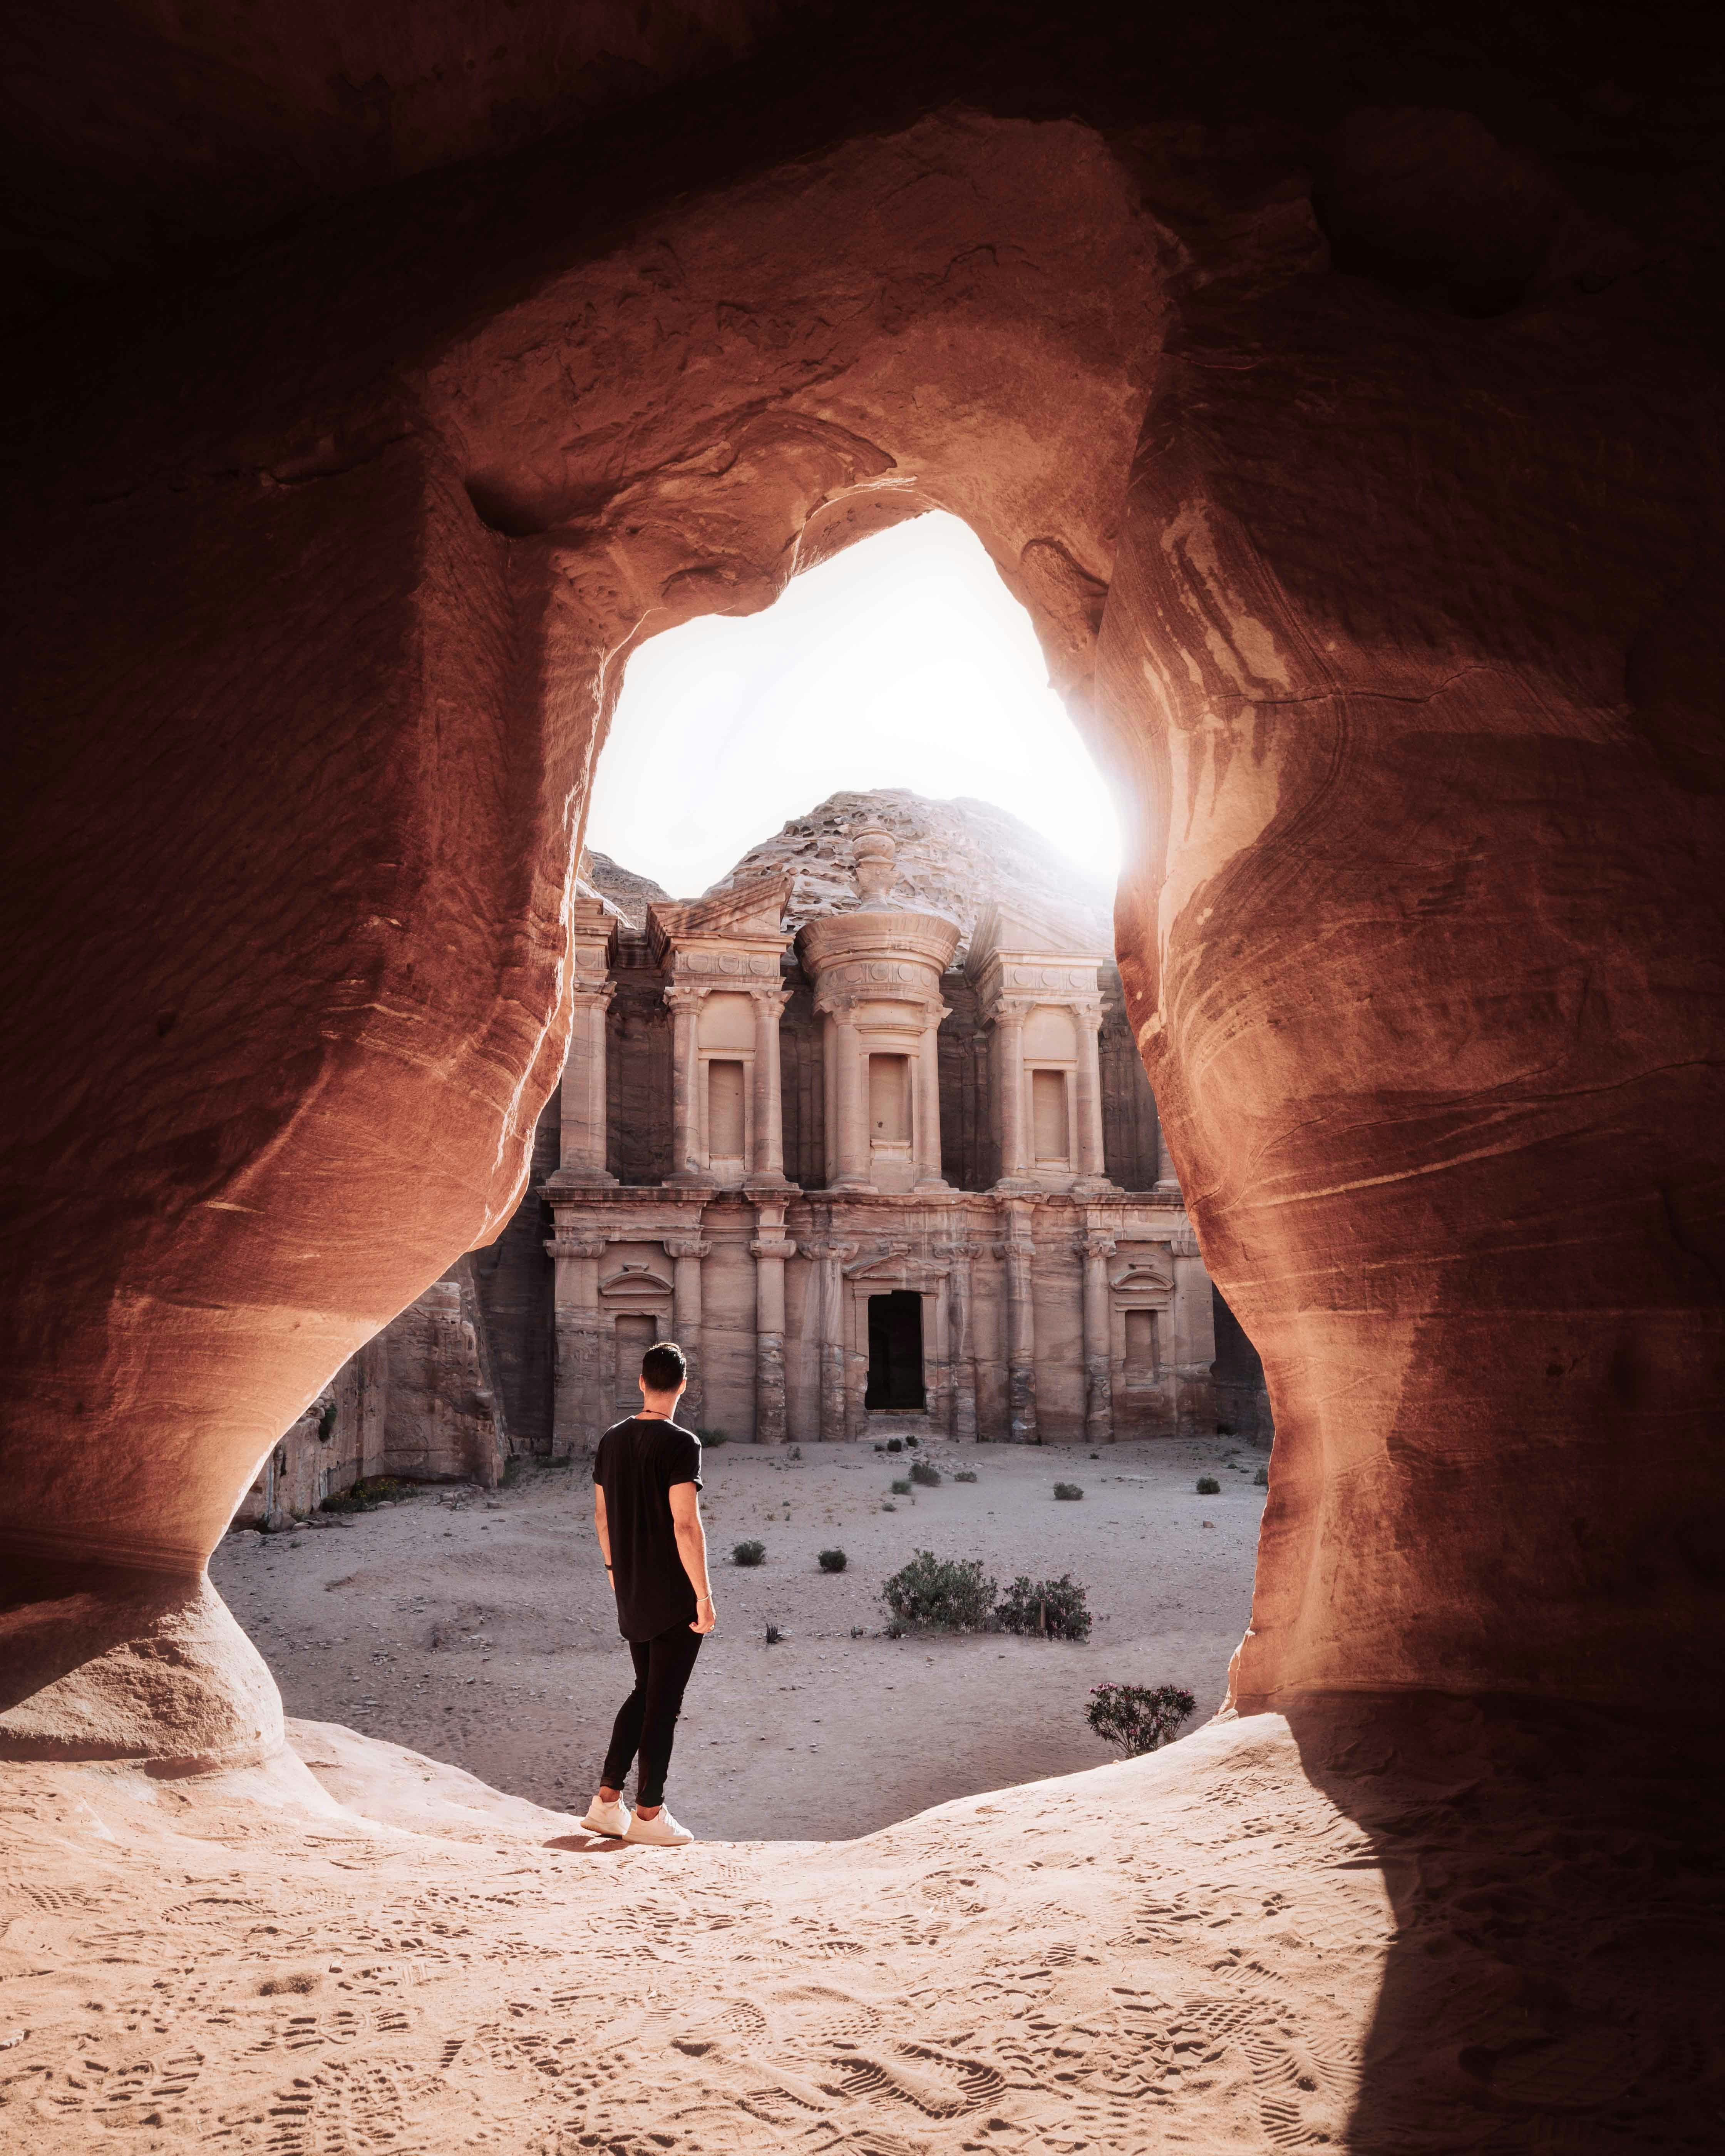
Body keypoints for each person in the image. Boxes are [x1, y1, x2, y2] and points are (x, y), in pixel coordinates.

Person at [579, 1338, 716, 1846]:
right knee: (663, 1705)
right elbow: (686, 1526)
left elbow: (600, 1517)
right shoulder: (682, 1444)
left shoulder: (611, 1442)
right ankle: (649, 1814)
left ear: (641, 1382)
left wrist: (617, 1573)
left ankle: (607, 1802)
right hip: (674, 1597)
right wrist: (703, 1595)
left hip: (632, 1590)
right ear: (683, 1386)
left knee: (645, 1694)